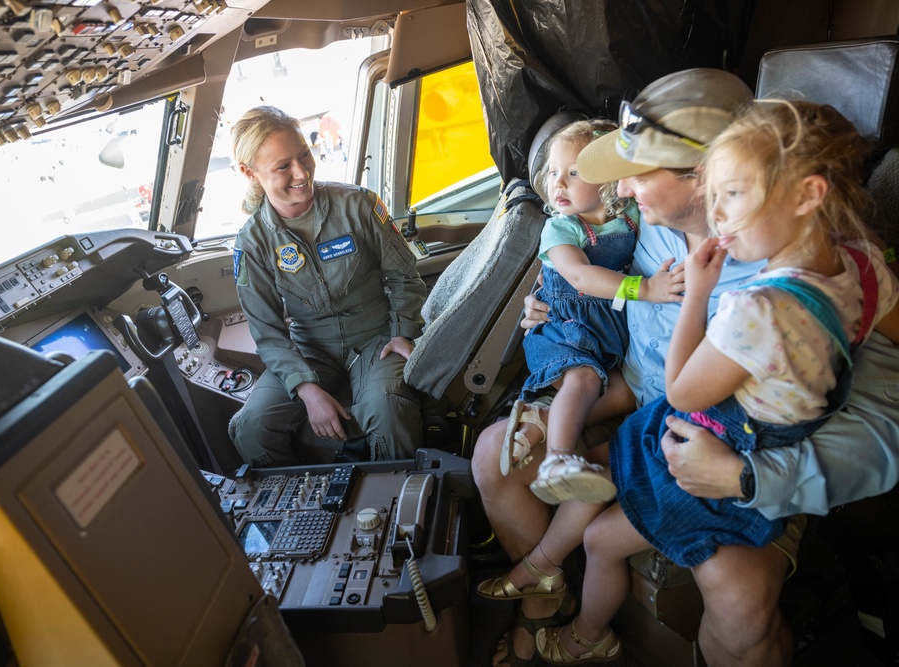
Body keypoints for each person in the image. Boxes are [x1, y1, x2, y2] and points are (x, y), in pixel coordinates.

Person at [471, 68, 899, 667]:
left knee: (738, 599)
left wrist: (747, 478)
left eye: (639, 170)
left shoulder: (820, 270)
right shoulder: (644, 217)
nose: (623, 185)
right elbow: (608, 283)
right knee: (498, 456)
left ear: (705, 176)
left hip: (752, 442)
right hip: (641, 395)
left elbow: (885, 431)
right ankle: (551, 603)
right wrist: (554, 308)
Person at [227, 105, 426, 467]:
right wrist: (306, 388)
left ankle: (397, 505)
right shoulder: (252, 242)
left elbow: (404, 276)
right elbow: (268, 332)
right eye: (283, 166)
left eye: (304, 154)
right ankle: (295, 512)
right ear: (250, 173)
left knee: (388, 408)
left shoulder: (358, 205)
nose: (302, 173)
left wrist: (403, 331)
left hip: (377, 337)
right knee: (251, 426)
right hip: (310, 349)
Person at [503, 118, 681, 504]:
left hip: (606, 330)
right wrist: (645, 288)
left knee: (615, 390)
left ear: (607, 178)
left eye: (573, 172)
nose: (558, 183)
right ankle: (558, 460)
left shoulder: (633, 213)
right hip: (566, 327)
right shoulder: (562, 229)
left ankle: (536, 423)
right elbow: (581, 278)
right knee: (583, 379)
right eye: (553, 173)